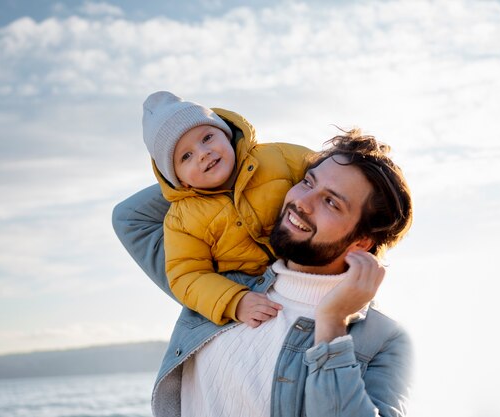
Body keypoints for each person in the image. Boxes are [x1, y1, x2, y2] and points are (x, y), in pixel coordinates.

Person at [112, 128, 414, 417]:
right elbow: (130, 218)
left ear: (362, 242)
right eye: (308, 182)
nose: (302, 202)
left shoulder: (383, 340)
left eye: (331, 202)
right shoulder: (217, 284)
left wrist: (332, 324)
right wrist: (232, 168)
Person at [141, 91, 312, 326]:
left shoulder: (279, 157)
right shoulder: (182, 219)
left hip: (310, 261)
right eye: (186, 156)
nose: (203, 153)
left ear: (225, 133)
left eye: (207, 137)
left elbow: (331, 175)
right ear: (179, 179)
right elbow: (188, 275)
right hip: (253, 290)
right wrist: (234, 301)